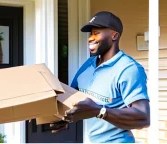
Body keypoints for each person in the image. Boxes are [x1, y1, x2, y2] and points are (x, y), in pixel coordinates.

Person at [50, 11, 150, 143]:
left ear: (114, 35)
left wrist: (100, 111)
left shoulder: (128, 69)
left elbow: (143, 117)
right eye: (91, 33)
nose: (90, 38)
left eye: (96, 33)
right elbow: (71, 98)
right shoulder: (88, 65)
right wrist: (63, 118)